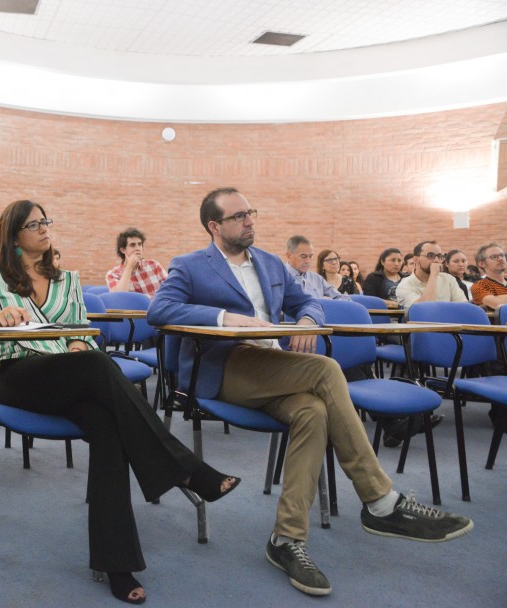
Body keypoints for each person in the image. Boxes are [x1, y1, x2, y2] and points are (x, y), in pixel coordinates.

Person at [148, 187, 472, 598]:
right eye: (239, 216)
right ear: (214, 226)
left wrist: (304, 314)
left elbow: (310, 302)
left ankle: (286, 539)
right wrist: (230, 318)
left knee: (313, 412)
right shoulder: (191, 265)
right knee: (325, 369)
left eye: (252, 212)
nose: (250, 220)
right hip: (226, 367)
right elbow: (160, 310)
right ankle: (379, 500)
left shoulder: (270, 263)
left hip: (275, 366)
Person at [0, 199, 240, 605]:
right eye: (34, 224)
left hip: (69, 375)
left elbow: (80, 330)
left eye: (46, 221)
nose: (44, 228)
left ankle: (116, 562)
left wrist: (75, 341)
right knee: (96, 364)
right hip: (18, 376)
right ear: (15, 235)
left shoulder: (67, 280)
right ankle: (186, 469)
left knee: (107, 426)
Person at [395, 241, 467, 309]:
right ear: (416, 259)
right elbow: (426, 309)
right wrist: (433, 275)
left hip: (449, 321)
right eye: (430, 255)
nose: (436, 260)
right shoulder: (405, 285)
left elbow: (463, 308)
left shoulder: (448, 279)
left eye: (439, 256)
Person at [105, 227, 168, 296]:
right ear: (123, 250)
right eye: (132, 245)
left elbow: (171, 289)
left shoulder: (154, 265)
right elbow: (119, 297)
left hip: (157, 306)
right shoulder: (113, 274)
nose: (138, 248)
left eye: (139, 244)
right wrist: (129, 267)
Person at [282, 236, 348, 300]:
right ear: (289, 255)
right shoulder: (280, 278)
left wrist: (330, 302)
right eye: (303, 256)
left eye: (310, 256)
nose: (308, 261)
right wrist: (319, 302)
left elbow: (344, 298)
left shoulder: (316, 278)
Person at [471, 242, 507, 310]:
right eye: (494, 257)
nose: (500, 259)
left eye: (502, 255)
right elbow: (496, 303)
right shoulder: (479, 286)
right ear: (481, 263)